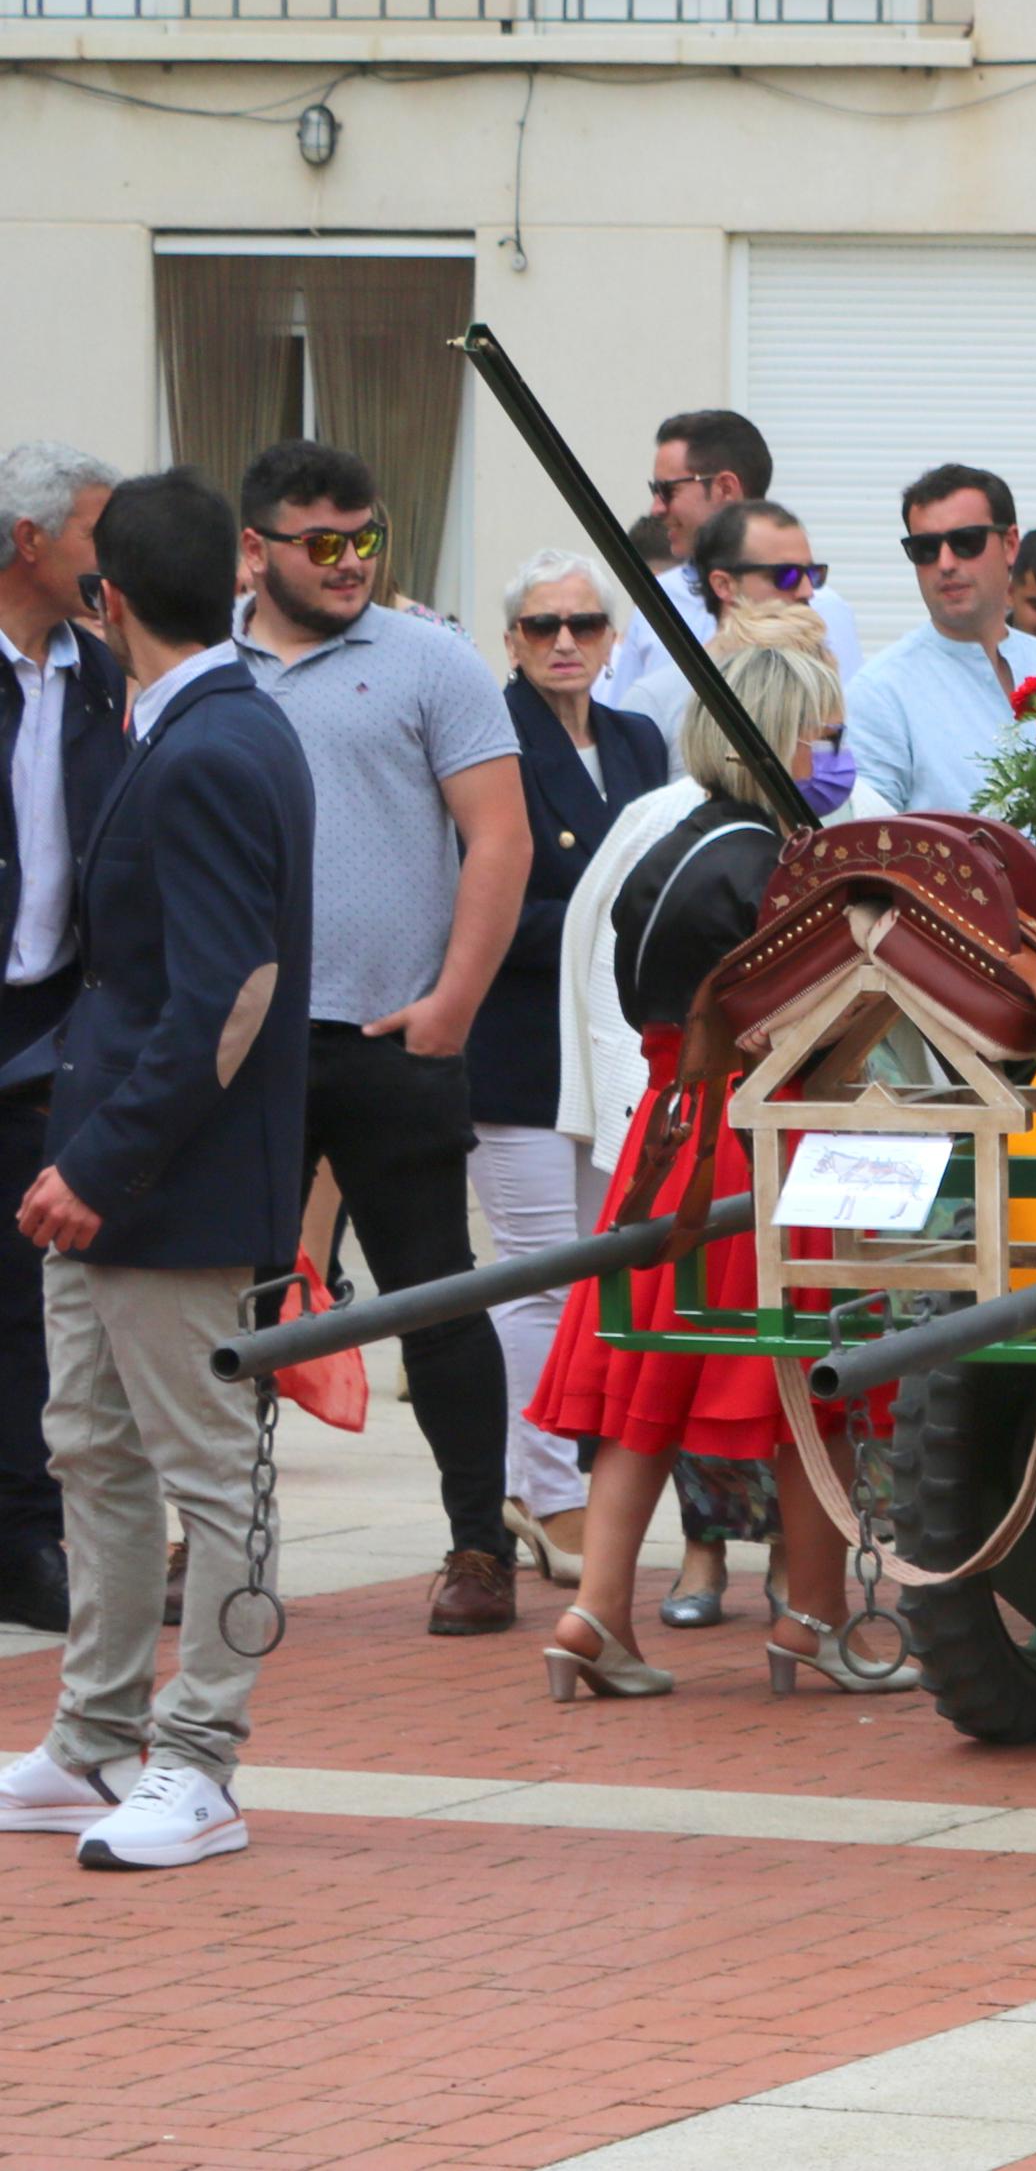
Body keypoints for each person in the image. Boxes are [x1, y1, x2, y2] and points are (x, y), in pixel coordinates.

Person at [1, 469, 312, 1871]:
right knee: (98, 1457)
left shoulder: (212, 746)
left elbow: (226, 998)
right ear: (237, 580)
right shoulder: (198, 728)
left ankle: (200, 1760)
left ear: (102, 597)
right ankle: (92, 1737)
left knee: (208, 1474)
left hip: (165, 1188)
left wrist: (102, 1165)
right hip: (121, 1180)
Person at [526, 641, 918, 1702]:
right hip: (767, 1126)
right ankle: (813, 1620)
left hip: (670, 1128)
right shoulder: (773, 864)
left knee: (644, 1384)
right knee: (813, 1379)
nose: (828, 750)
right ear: (777, 737)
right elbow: (826, 1021)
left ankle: (595, 1608)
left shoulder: (675, 841)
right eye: (818, 731)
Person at [232, 441, 532, 1636]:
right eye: (322, 542)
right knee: (234, 1303)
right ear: (256, 548)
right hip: (242, 1050)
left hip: (394, 1035)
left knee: (437, 1302)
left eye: (367, 538)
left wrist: (452, 1001)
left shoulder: (434, 661)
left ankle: (477, 1545)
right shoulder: (206, 668)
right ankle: (219, 1545)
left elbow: (498, 838)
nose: (351, 561)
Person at [463, 554, 671, 1596]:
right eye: (541, 624)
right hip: (517, 1050)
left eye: (584, 624)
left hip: (613, 1047)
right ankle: (546, 1492)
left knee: (606, 1272)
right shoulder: (491, 738)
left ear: (611, 635)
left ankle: (557, 1473)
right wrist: (604, 916)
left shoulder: (637, 738)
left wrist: (607, 916)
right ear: (511, 642)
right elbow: (484, 902)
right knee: (537, 1275)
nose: (563, 641)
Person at [0, 441, 121, 1637]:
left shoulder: (99, 674)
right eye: (96, 531)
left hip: (50, 1024)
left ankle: (25, 1535)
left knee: (29, 1301)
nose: (112, 557)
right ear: (31, 541)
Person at [845, 464, 1036, 816]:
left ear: (1010, 544)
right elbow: (872, 844)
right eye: (925, 548)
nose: (945, 563)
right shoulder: (881, 692)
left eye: (966, 542)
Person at [599, 409, 864, 704]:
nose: (656, 509)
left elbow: (840, 736)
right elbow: (625, 725)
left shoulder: (820, 609)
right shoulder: (658, 601)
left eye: (667, 491)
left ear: (725, 488)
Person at [614, 500, 833, 735]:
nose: (807, 591)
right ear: (724, 585)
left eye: (814, 573)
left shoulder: (822, 684)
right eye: (786, 575)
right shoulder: (658, 701)